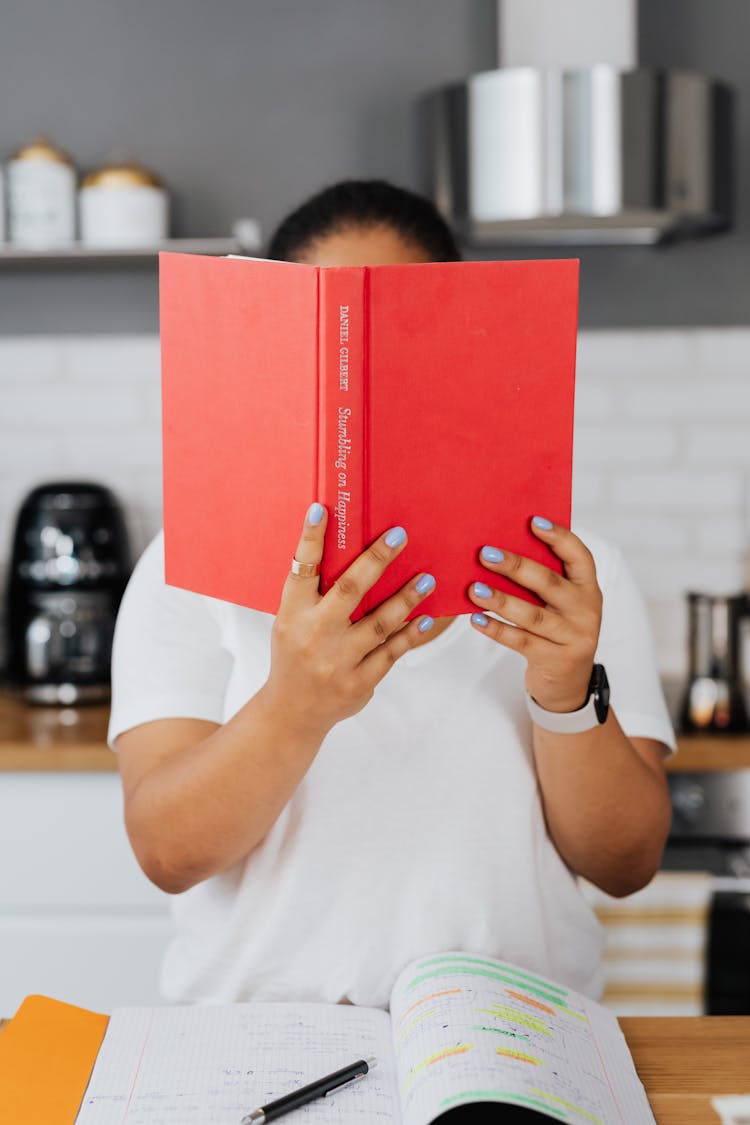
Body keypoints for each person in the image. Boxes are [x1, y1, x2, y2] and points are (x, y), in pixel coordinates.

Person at [109, 179, 675, 1008]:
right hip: (259, 1041)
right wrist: (295, 705)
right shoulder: (185, 563)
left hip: (514, 1036)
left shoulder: (570, 574)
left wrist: (564, 695)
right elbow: (167, 850)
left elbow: (625, 866)